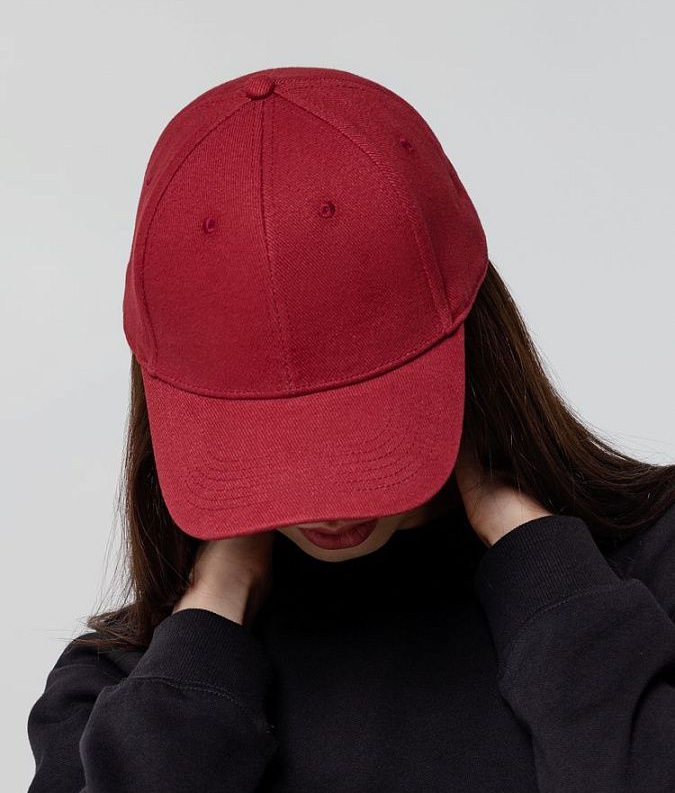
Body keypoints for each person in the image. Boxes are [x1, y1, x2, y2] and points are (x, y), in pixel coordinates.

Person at [27, 67, 675, 793]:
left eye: (357, 431)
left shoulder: (652, 573)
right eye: (262, 443)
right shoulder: (114, 698)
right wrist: (212, 612)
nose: (324, 500)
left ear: (474, 346)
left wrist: (545, 572)